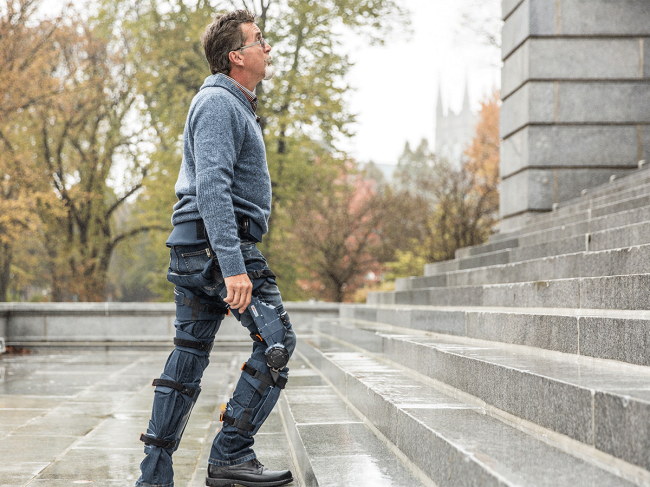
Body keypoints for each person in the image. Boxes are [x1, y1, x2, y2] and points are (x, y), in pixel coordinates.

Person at [136, 9, 296, 487]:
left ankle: (154, 478)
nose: (267, 48)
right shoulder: (218, 104)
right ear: (236, 57)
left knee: (187, 360)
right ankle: (231, 454)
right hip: (215, 246)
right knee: (277, 342)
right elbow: (211, 189)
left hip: (198, 247)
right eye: (258, 40)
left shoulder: (232, 104)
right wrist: (233, 267)